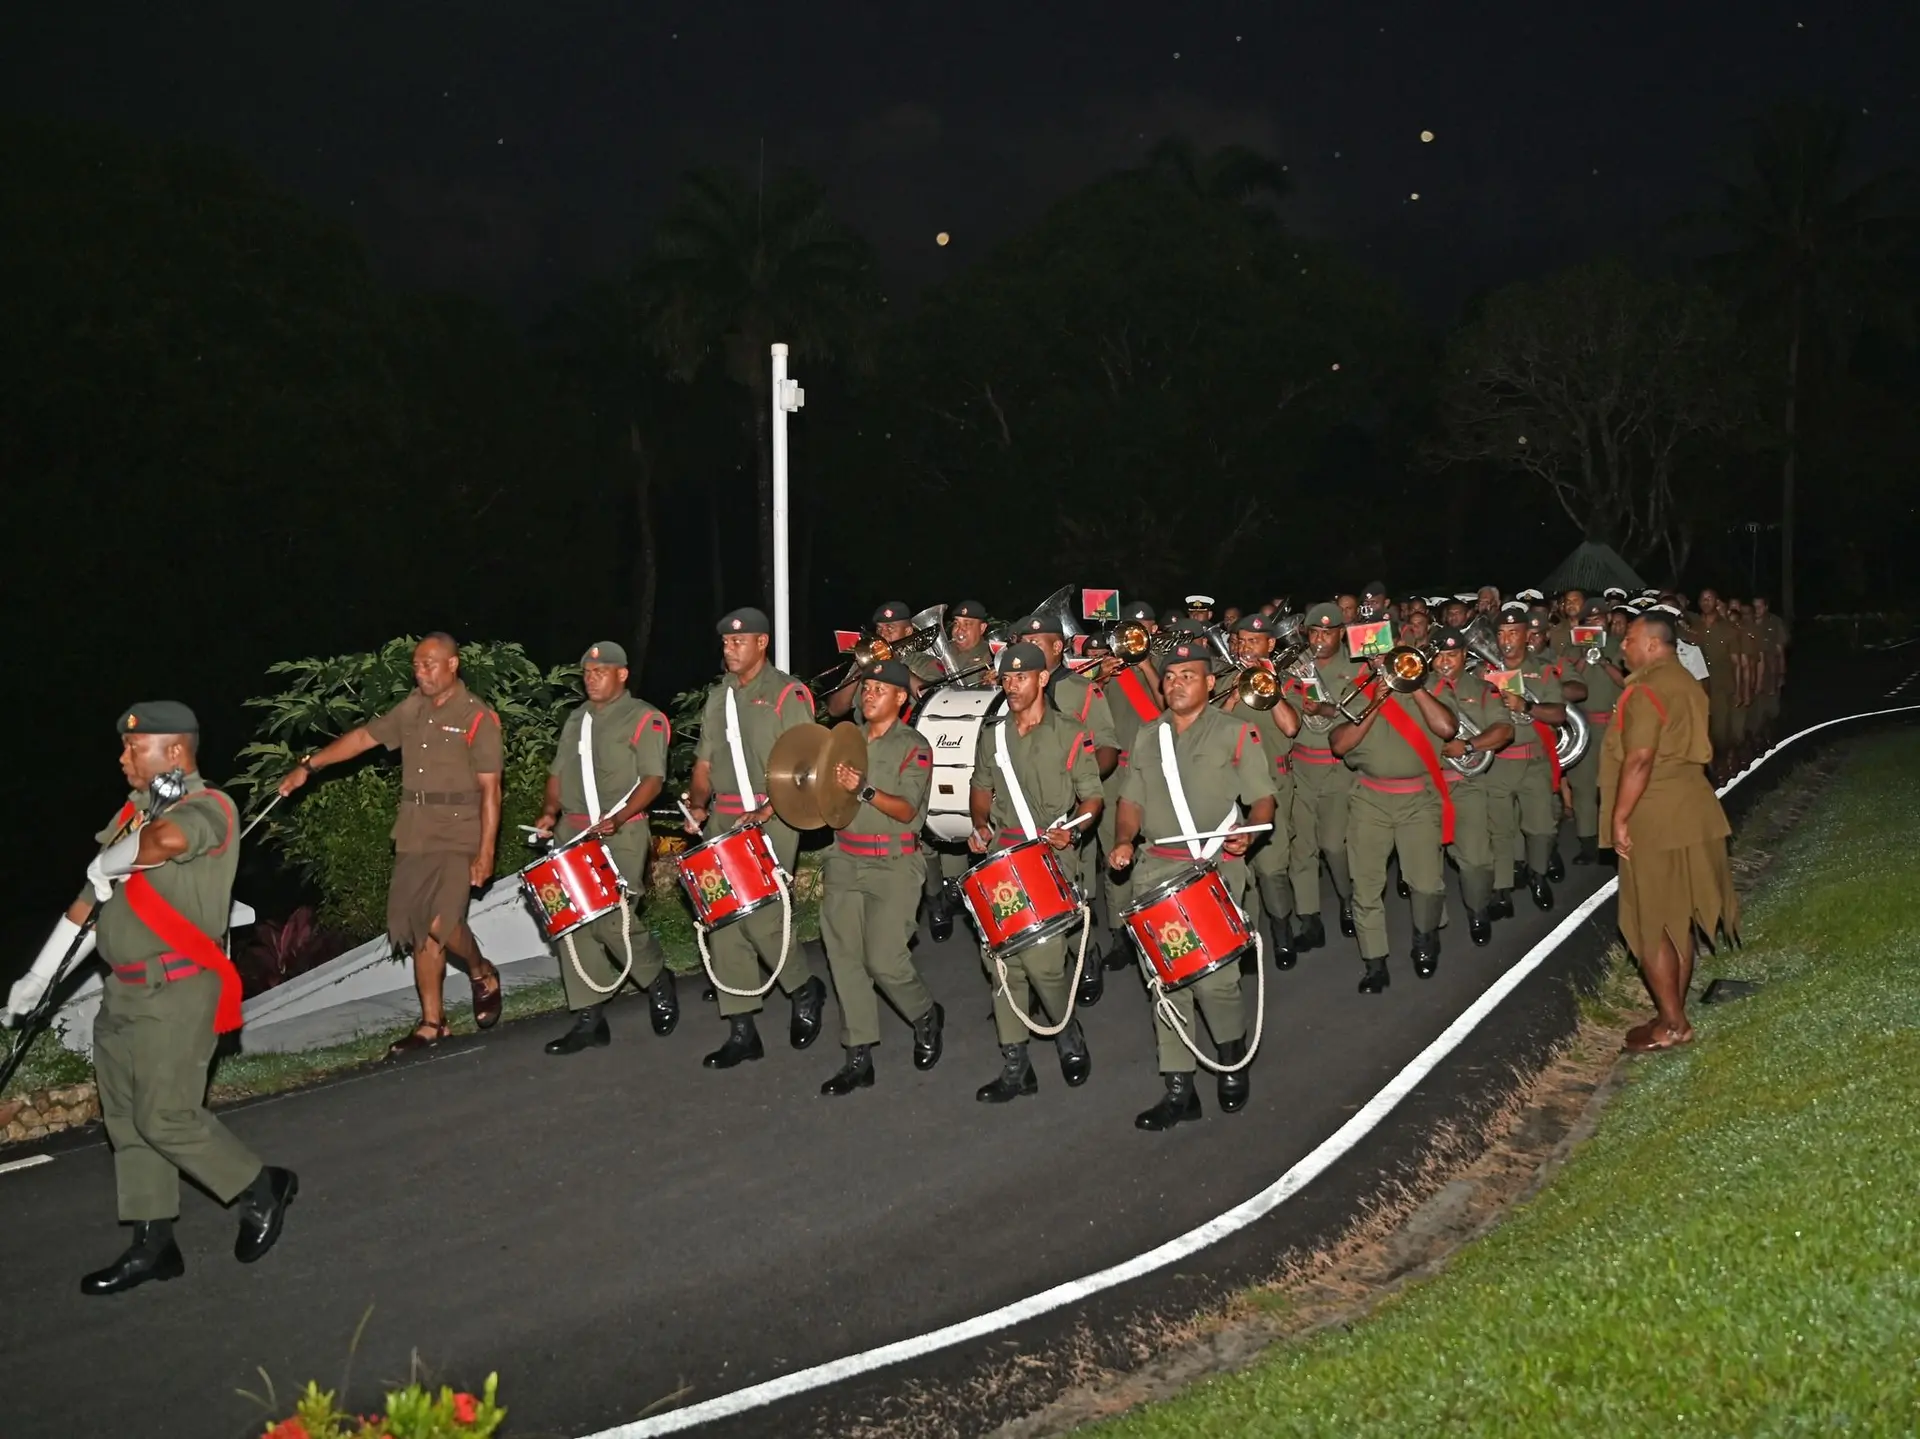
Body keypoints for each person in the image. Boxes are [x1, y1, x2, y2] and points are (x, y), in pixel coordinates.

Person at [3, 703, 296, 1295]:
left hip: (179, 987)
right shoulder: (132, 813)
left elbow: (165, 843)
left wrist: (113, 859)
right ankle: (153, 1243)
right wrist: (37, 979)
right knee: (126, 1121)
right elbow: (90, 901)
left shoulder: (209, 807)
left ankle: (260, 1185)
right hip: (125, 991)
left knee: (165, 1116)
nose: (122, 758)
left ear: (176, 753)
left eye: (134, 748)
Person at [280, 633, 504, 1054]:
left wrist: (486, 850)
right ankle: (432, 1023)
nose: (421, 673)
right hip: (414, 828)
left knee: (439, 921)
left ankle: (481, 971)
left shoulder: (477, 717)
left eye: (430, 665)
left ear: (453, 665)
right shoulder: (412, 709)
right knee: (419, 927)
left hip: (459, 829)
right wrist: (308, 767)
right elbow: (364, 738)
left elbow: (491, 791)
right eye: (416, 666)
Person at [1109, 636, 1277, 1129]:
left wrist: (1249, 831)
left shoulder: (1235, 732)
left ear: (1208, 682)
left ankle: (1231, 1060)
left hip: (1214, 864)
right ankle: (1179, 1087)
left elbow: (1263, 796)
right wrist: (1122, 840)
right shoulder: (1149, 735)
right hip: (1156, 866)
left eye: (1188, 676)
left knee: (1218, 978)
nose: (1177, 683)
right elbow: (1131, 800)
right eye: (1170, 677)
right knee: (1165, 979)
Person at [684, 607, 829, 1068]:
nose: (729, 648)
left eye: (739, 642)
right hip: (723, 816)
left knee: (764, 918)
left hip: (775, 815)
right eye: (725, 642)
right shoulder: (717, 698)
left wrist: (768, 809)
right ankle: (742, 1028)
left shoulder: (788, 693)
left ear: (762, 643)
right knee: (723, 920)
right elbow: (704, 764)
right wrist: (699, 802)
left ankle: (804, 989)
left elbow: (809, 763)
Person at [966, 643, 1104, 1103]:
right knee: (1001, 961)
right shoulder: (994, 734)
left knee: (1044, 961)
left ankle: (1067, 1033)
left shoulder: (1069, 732)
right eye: (1006, 679)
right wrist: (980, 824)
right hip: (1005, 857)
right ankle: (1015, 1064)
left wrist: (1073, 829)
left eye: (1021, 677)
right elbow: (980, 789)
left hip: (1050, 853)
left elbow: (1092, 799)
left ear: (1043, 679)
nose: (1012, 686)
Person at [529, 642, 678, 1055]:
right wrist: (547, 812)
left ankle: (656, 979)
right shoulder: (577, 719)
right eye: (587, 673)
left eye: (600, 671)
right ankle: (589, 1017)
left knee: (614, 919)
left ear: (622, 674)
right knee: (572, 923)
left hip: (621, 831)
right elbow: (557, 773)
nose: (591, 678)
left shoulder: (644, 718)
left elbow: (652, 779)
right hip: (573, 832)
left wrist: (619, 815)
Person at [1601, 613, 1739, 1051]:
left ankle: (1674, 1024)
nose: (1623, 646)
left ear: (1654, 645)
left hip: (1655, 813)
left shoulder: (1645, 690)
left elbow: (1639, 759)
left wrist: (1620, 818)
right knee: (1678, 917)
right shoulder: (1686, 683)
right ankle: (1670, 1012)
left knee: (1651, 922)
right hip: (1693, 807)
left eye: (1630, 639)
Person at [816, 659, 945, 1095]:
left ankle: (925, 1013)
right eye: (866, 687)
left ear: (901, 699)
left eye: (879, 689)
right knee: (845, 959)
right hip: (844, 861)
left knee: (884, 959)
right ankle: (858, 1054)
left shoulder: (915, 745)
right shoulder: (844, 741)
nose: (868, 694)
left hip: (893, 864)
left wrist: (863, 788)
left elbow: (908, 810)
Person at [1329, 639, 1460, 990]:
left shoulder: (1430, 686)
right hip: (1370, 798)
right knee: (1367, 886)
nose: (1380, 659)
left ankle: (1424, 940)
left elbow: (1447, 730)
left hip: (1418, 799)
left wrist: (1412, 686)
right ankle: (1375, 963)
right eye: (1372, 654)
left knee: (1427, 885)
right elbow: (1340, 744)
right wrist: (1376, 699)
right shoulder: (1356, 690)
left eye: (1386, 653)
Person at [1010, 612, 1119, 1002]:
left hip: (1069, 807)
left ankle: (1085, 956)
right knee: (1029, 893)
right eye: (1022, 642)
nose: (1026, 650)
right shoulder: (1010, 690)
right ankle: (1037, 979)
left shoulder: (1082, 690)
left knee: (1074, 890)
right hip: (1022, 808)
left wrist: (1082, 784)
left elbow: (1107, 745)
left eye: (1036, 643)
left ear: (1058, 647)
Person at [1483, 606, 1580, 915]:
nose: (1506, 640)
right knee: (1500, 830)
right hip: (1498, 763)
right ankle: (1501, 890)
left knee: (1541, 829)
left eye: (1513, 633)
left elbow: (1559, 714)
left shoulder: (1544, 670)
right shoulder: (1483, 674)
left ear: (1527, 636)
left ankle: (1538, 875)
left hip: (1534, 763)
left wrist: (1526, 705)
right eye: (1500, 634)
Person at [1281, 602, 1364, 948]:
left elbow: (1360, 715)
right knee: (1302, 849)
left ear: (1341, 633)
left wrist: (1327, 709)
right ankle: (1309, 918)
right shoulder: (1294, 667)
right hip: (1300, 765)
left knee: (1334, 845)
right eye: (1314, 632)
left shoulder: (1357, 668)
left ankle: (1348, 899)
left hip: (1336, 769)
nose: (1319, 639)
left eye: (1327, 633)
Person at [1223, 612, 1303, 968]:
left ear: (1271, 644)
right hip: (1230, 786)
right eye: (1240, 641)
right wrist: (1235, 689)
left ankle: (1282, 928)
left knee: (1271, 868)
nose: (1244, 647)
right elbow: (1208, 726)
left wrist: (1270, 684)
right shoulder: (1225, 680)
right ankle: (1246, 939)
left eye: (1253, 641)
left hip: (1272, 784)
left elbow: (1290, 727)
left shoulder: (1288, 679)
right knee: (1238, 870)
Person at [918, 599, 996, 944]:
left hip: (983, 754)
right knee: (933, 828)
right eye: (955, 623)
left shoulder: (997, 656)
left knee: (983, 827)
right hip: (944, 749)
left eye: (967, 623)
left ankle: (983, 899)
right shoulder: (941, 658)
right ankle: (939, 898)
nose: (958, 628)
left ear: (983, 628)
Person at [1429, 631, 1515, 945]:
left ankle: (1477, 909)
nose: (1444, 661)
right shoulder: (1417, 688)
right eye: (1438, 655)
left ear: (1465, 655)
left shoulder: (1483, 689)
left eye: (1451, 654)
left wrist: (1468, 745)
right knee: (1425, 862)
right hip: (1424, 787)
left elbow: (1504, 729)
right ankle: (1430, 925)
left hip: (1466, 783)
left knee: (1477, 860)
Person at [1561, 603, 1626, 865]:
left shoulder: (1621, 645)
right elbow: (1565, 683)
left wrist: (1602, 660)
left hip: (1613, 724)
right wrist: (1584, 657)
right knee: (1583, 787)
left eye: (1599, 618)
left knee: (1613, 785)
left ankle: (1611, 842)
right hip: (1582, 726)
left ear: (1608, 619)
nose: (1596, 623)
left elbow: (1626, 681)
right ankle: (1588, 844)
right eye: (1590, 619)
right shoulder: (1573, 648)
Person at [1749, 595, 1790, 748]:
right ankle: (1758, 738)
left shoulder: (1775, 623)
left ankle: (1770, 734)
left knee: (1772, 709)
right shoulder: (1748, 623)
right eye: (1754, 607)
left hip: (1771, 672)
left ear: (1766, 607)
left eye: (1760, 607)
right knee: (1755, 710)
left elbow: (1780, 651)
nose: (1757, 610)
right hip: (1753, 673)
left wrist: (1781, 674)